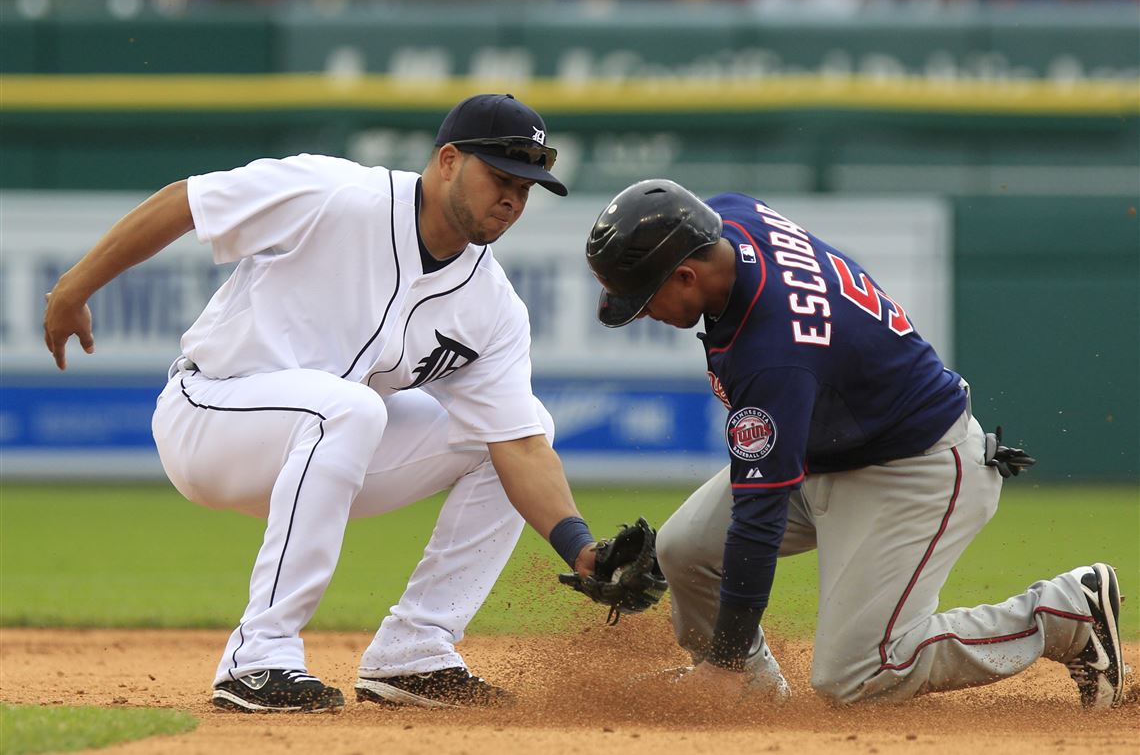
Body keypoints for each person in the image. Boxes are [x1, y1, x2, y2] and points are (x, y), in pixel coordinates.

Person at [42, 93, 609, 714]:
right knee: (347, 409)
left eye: (527, 188)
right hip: (208, 414)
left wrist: (583, 550)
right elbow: (189, 201)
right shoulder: (336, 193)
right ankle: (258, 658)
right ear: (448, 160)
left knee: (512, 430)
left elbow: (520, 445)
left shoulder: (493, 306)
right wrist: (75, 286)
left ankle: (416, 653)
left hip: (328, 450)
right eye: (502, 177)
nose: (512, 198)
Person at [583, 179, 1127, 708]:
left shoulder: (773, 351)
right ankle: (748, 689)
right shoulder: (728, 217)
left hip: (912, 470)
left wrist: (719, 660)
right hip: (831, 451)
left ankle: (1064, 613)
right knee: (685, 550)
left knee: (856, 675)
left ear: (685, 275)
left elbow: (758, 515)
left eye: (644, 299)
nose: (643, 313)